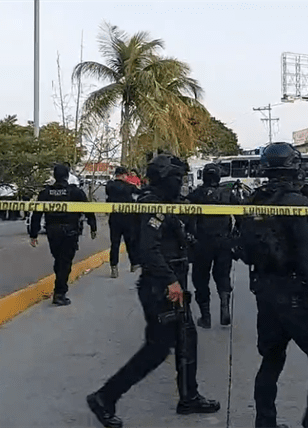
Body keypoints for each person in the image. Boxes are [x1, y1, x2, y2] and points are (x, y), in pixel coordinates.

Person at [87, 154, 220, 428]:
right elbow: (148, 249)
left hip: (172, 282)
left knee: (187, 339)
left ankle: (189, 396)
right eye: (177, 179)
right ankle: (105, 397)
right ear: (165, 179)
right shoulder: (153, 206)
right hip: (162, 286)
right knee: (157, 350)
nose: (181, 184)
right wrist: (171, 280)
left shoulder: (167, 204)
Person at [236, 142, 308, 428]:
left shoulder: (253, 202)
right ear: (294, 166)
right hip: (296, 293)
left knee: (271, 359)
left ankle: (265, 423)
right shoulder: (297, 203)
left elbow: (241, 249)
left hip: (265, 291)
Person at [29, 164, 97, 306]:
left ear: (54, 176)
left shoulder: (46, 193)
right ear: (67, 176)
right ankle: (59, 292)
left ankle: (59, 286)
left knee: (59, 259)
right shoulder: (75, 192)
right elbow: (88, 209)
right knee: (64, 262)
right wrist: (93, 227)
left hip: (52, 231)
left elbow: (36, 214)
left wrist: (33, 233)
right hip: (70, 231)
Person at [186, 163, 239, 328]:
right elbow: (243, 214)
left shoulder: (197, 194)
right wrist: (235, 237)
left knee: (200, 280)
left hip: (202, 243)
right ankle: (224, 308)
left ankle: (206, 317)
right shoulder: (227, 194)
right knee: (223, 276)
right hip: (223, 242)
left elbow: (185, 215)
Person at [105, 166, 141, 278]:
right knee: (130, 242)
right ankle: (134, 263)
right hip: (128, 218)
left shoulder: (109, 186)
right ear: (123, 175)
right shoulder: (129, 187)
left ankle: (114, 267)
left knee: (114, 243)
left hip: (114, 218)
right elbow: (139, 194)